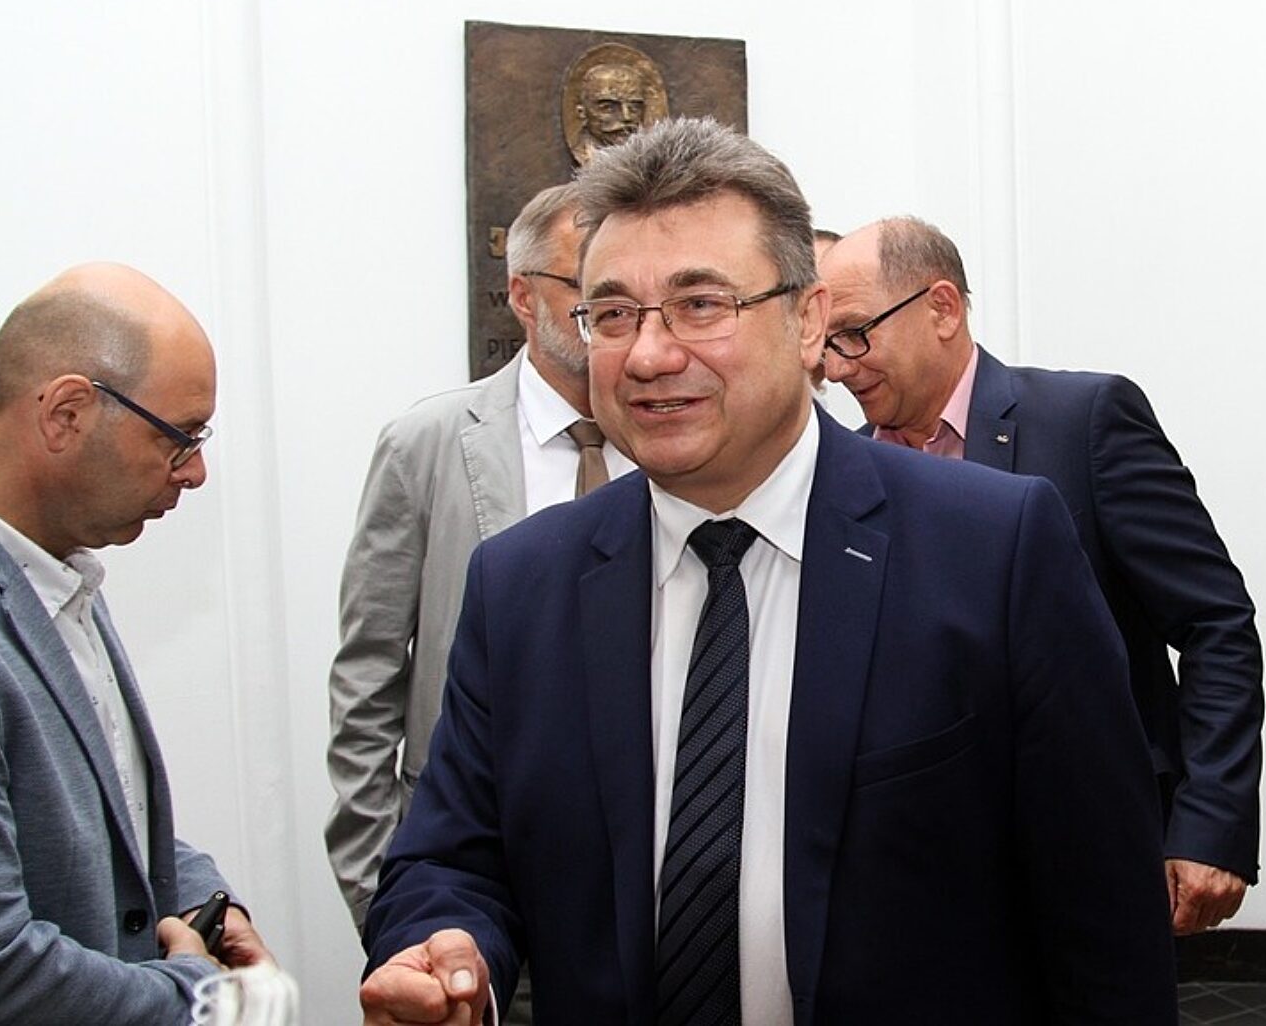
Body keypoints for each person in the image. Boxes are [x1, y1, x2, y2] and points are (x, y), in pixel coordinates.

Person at [358, 119, 1177, 1024]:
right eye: (614, 314)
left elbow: (1104, 920)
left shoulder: (994, 550)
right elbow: (451, 856)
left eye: (701, 304)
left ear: (809, 319)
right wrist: (445, 944)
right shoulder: (521, 585)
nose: (649, 354)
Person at [819, 216, 1265, 935]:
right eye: (827, 344)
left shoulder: (1083, 422)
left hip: (1089, 849)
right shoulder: (842, 472)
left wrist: (1212, 822)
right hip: (908, 874)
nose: (838, 368)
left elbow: (1216, 623)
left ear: (941, 308)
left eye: (854, 334)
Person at [0, 263, 271, 1024]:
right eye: (179, 438)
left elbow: (94, 812)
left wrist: (203, 900)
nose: (195, 472)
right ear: (67, 413)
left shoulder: (47, 569)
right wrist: (198, 999)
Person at [326, 183, 634, 935]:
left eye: (623, 292)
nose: (608, 312)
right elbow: (368, 677)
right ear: (523, 297)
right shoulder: (427, 444)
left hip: (643, 886)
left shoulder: (674, 439)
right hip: (474, 876)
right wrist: (382, 890)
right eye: (585, 287)